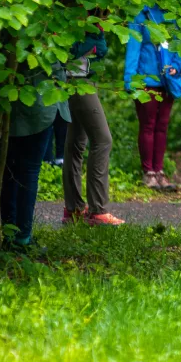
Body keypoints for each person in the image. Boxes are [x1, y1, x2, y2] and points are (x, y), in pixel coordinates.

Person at [3, 63, 71, 250]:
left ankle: (8, 233)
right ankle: (22, 237)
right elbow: (69, 53)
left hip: (10, 100)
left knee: (9, 170)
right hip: (41, 104)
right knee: (28, 170)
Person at [61, 25, 124, 226]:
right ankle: (98, 210)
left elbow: (102, 48)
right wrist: (90, 46)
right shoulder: (74, 13)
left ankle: (74, 209)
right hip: (75, 79)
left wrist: (92, 46)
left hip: (81, 78)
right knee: (103, 140)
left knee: (76, 143)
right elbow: (70, 50)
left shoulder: (94, 19)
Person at [125, 4, 181, 191]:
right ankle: (148, 173)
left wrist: (177, 66)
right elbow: (133, 49)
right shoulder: (141, 17)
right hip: (146, 81)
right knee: (148, 125)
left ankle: (159, 172)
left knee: (162, 126)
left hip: (167, 81)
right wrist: (130, 80)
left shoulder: (173, 17)